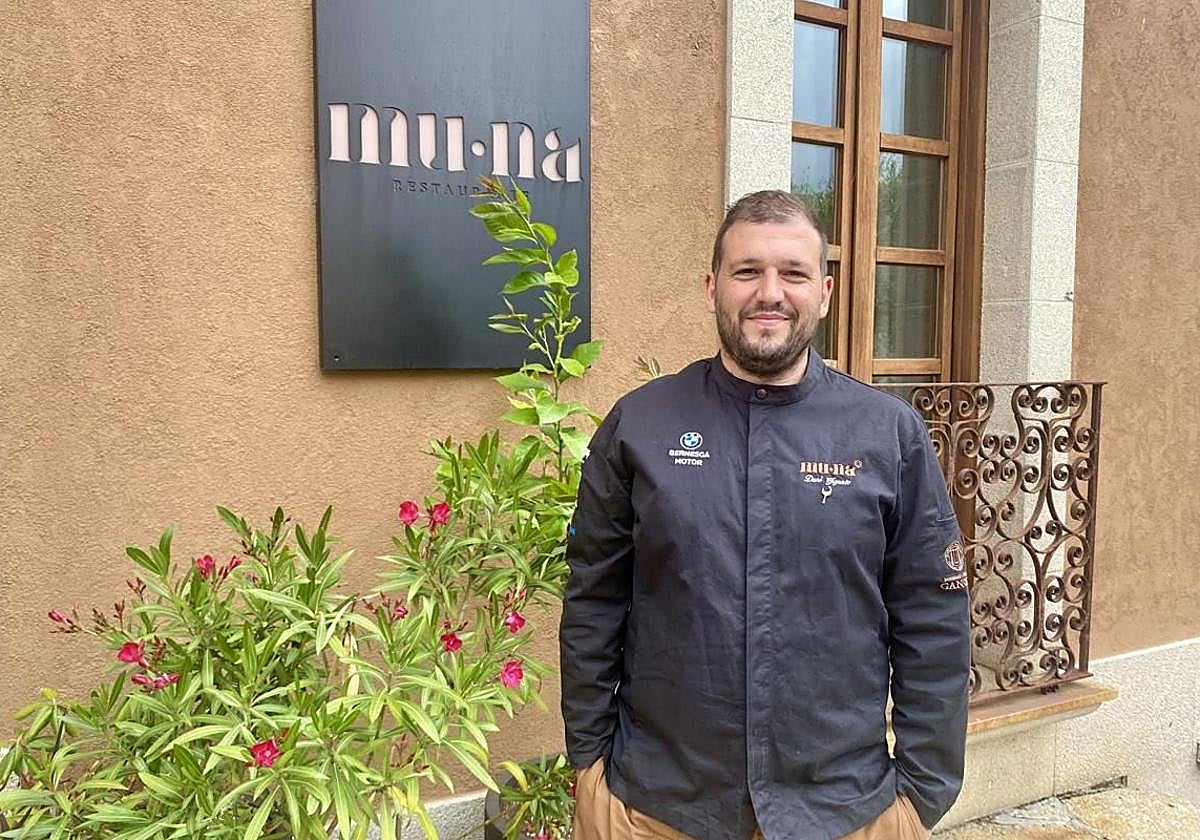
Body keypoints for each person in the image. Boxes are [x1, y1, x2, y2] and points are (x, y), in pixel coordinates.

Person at [559, 190, 970, 840]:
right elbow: (593, 601)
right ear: (712, 288)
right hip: (654, 809)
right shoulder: (640, 426)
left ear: (824, 293)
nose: (769, 293)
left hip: (845, 812)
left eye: (793, 273)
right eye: (747, 271)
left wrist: (921, 794)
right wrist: (589, 765)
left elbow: (934, 621)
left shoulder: (888, 434)